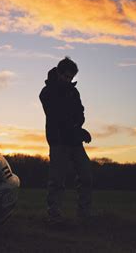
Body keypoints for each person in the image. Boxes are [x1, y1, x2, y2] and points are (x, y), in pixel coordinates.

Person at [39, 57, 93, 226]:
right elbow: (57, 117)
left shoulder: (73, 92)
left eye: (71, 78)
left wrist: (79, 126)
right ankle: (53, 216)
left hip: (75, 142)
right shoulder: (47, 92)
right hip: (58, 141)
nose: (68, 80)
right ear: (59, 72)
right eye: (66, 76)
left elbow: (80, 112)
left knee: (86, 176)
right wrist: (78, 130)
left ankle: (84, 215)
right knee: (57, 180)